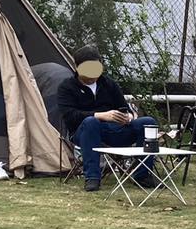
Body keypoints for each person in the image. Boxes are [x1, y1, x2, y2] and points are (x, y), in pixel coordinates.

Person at [56, 46, 156, 192]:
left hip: (114, 129)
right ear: (77, 67)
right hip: (84, 132)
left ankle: (142, 175)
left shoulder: (108, 84)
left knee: (148, 122)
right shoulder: (67, 87)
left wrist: (128, 116)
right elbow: (70, 115)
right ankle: (92, 177)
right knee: (91, 122)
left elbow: (124, 107)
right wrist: (100, 115)